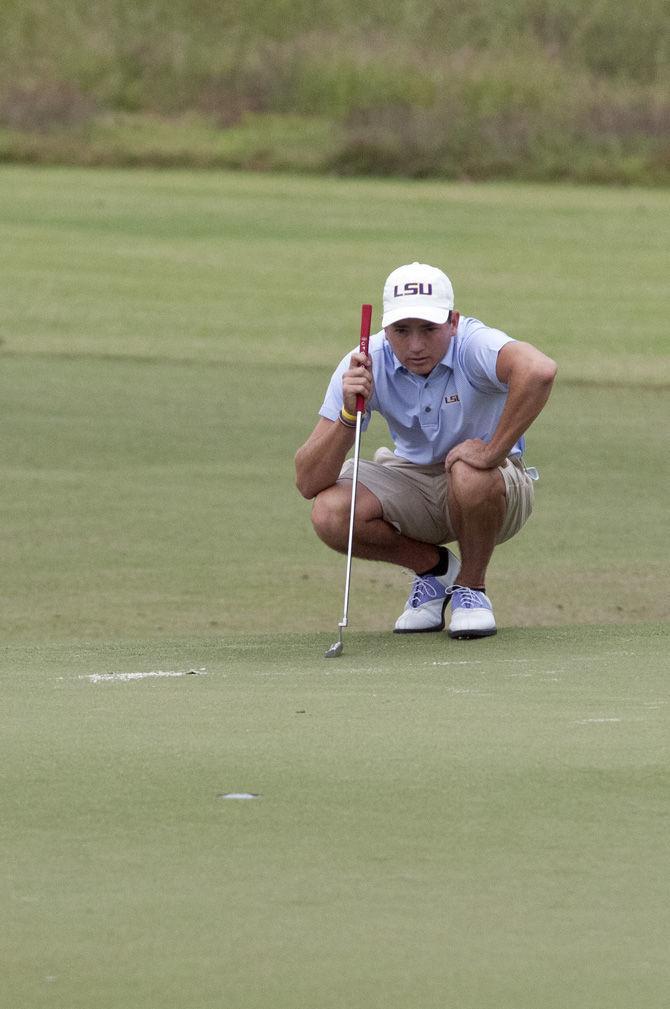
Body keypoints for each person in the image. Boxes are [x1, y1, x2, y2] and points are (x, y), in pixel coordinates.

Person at [294, 262, 557, 639]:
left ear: (453, 321)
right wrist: (349, 414)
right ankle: (434, 571)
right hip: (413, 480)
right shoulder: (366, 361)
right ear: (385, 328)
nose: (415, 346)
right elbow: (308, 481)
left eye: (429, 330)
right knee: (330, 512)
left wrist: (492, 451)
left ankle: (471, 588)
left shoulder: (473, 343)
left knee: (469, 473)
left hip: (494, 488)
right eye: (402, 331)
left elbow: (539, 370)